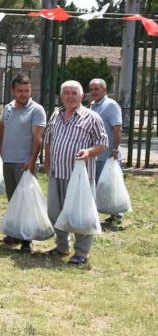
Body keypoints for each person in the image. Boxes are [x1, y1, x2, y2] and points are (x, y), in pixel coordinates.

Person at [43, 81, 108, 265]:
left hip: (80, 177)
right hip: (57, 173)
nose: (70, 96)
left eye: (74, 93)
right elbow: (49, 141)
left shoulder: (92, 117)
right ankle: (62, 246)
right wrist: (47, 163)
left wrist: (88, 152)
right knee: (54, 212)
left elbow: (102, 143)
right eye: (66, 93)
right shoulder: (56, 115)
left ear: (81, 96)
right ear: (61, 96)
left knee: (81, 214)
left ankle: (82, 252)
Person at [0, 74, 47, 251]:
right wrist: (3, 151)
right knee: (13, 200)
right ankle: (15, 233)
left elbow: (38, 138)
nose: (24, 94)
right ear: (12, 91)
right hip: (8, 161)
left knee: (26, 201)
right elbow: (1, 128)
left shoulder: (37, 110)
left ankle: (27, 240)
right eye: (20, 91)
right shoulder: (8, 108)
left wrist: (32, 160)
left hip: (24, 164)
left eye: (27, 90)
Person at [88, 78, 124, 225]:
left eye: (97, 89)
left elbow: (117, 128)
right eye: (91, 89)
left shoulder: (111, 105)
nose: (93, 92)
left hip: (108, 154)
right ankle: (101, 212)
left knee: (110, 185)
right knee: (97, 185)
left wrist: (114, 149)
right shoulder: (92, 106)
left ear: (104, 90)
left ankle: (116, 214)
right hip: (96, 154)